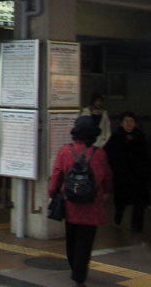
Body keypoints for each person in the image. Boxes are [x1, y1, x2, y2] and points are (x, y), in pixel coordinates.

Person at [49, 115, 113, 287]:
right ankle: (79, 275)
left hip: (71, 203)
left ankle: (74, 267)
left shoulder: (65, 151)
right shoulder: (99, 154)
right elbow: (107, 179)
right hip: (92, 205)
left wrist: (53, 193)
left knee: (72, 238)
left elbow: (56, 175)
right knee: (86, 241)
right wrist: (106, 192)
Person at [104, 111, 150, 232]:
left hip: (138, 176)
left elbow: (146, 156)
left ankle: (137, 227)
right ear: (121, 123)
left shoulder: (140, 136)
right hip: (122, 176)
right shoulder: (116, 137)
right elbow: (107, 153)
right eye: (126, 121)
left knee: (139, 202)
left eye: (131, 121)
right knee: (121, 201)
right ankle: (118, 215)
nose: (129, 124)